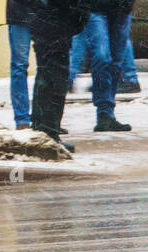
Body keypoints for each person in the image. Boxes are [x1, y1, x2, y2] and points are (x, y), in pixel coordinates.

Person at [26, 0, 91, 150]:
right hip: (53, 26)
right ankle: (48, 132)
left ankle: (44, 130)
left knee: (48, 79)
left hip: (53, 25)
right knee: (54, 82)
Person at [69, 0, 136, 132]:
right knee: (102, 57)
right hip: (94, 8)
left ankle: (107, 113)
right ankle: (104, 110)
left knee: (116, 61)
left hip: (121, 10)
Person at [7, 0, 34, 129]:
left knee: (48, 66)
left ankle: (46, 119)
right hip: (20, 13)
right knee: (19, 66)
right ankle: (22, 119)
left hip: (44, 13)